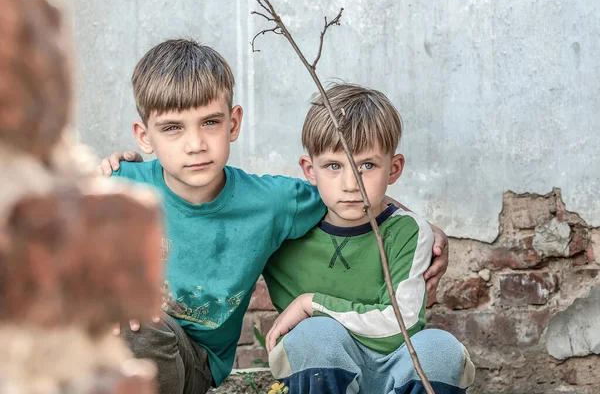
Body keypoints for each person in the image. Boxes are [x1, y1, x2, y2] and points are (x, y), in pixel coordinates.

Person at [99, 38, 450, 394]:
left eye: (209, 122)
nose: (195, 144)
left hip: (198, 362)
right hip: (122, 342)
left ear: (233, 123)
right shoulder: (115, 187)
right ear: (145, 136)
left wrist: (428, 230)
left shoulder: (273, 202)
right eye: (173, 127)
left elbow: (352, 191)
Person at [262, 83, 474, 394]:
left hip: (395, 368)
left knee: (439, 347)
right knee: (315, 334)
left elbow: (399, 326)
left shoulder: (407, 232)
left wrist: (313, 303)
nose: (350, 184)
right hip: (323, 366)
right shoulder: (283, 224)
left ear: (394, 169)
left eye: (367, 166)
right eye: (334, 166)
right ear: (310, 169)